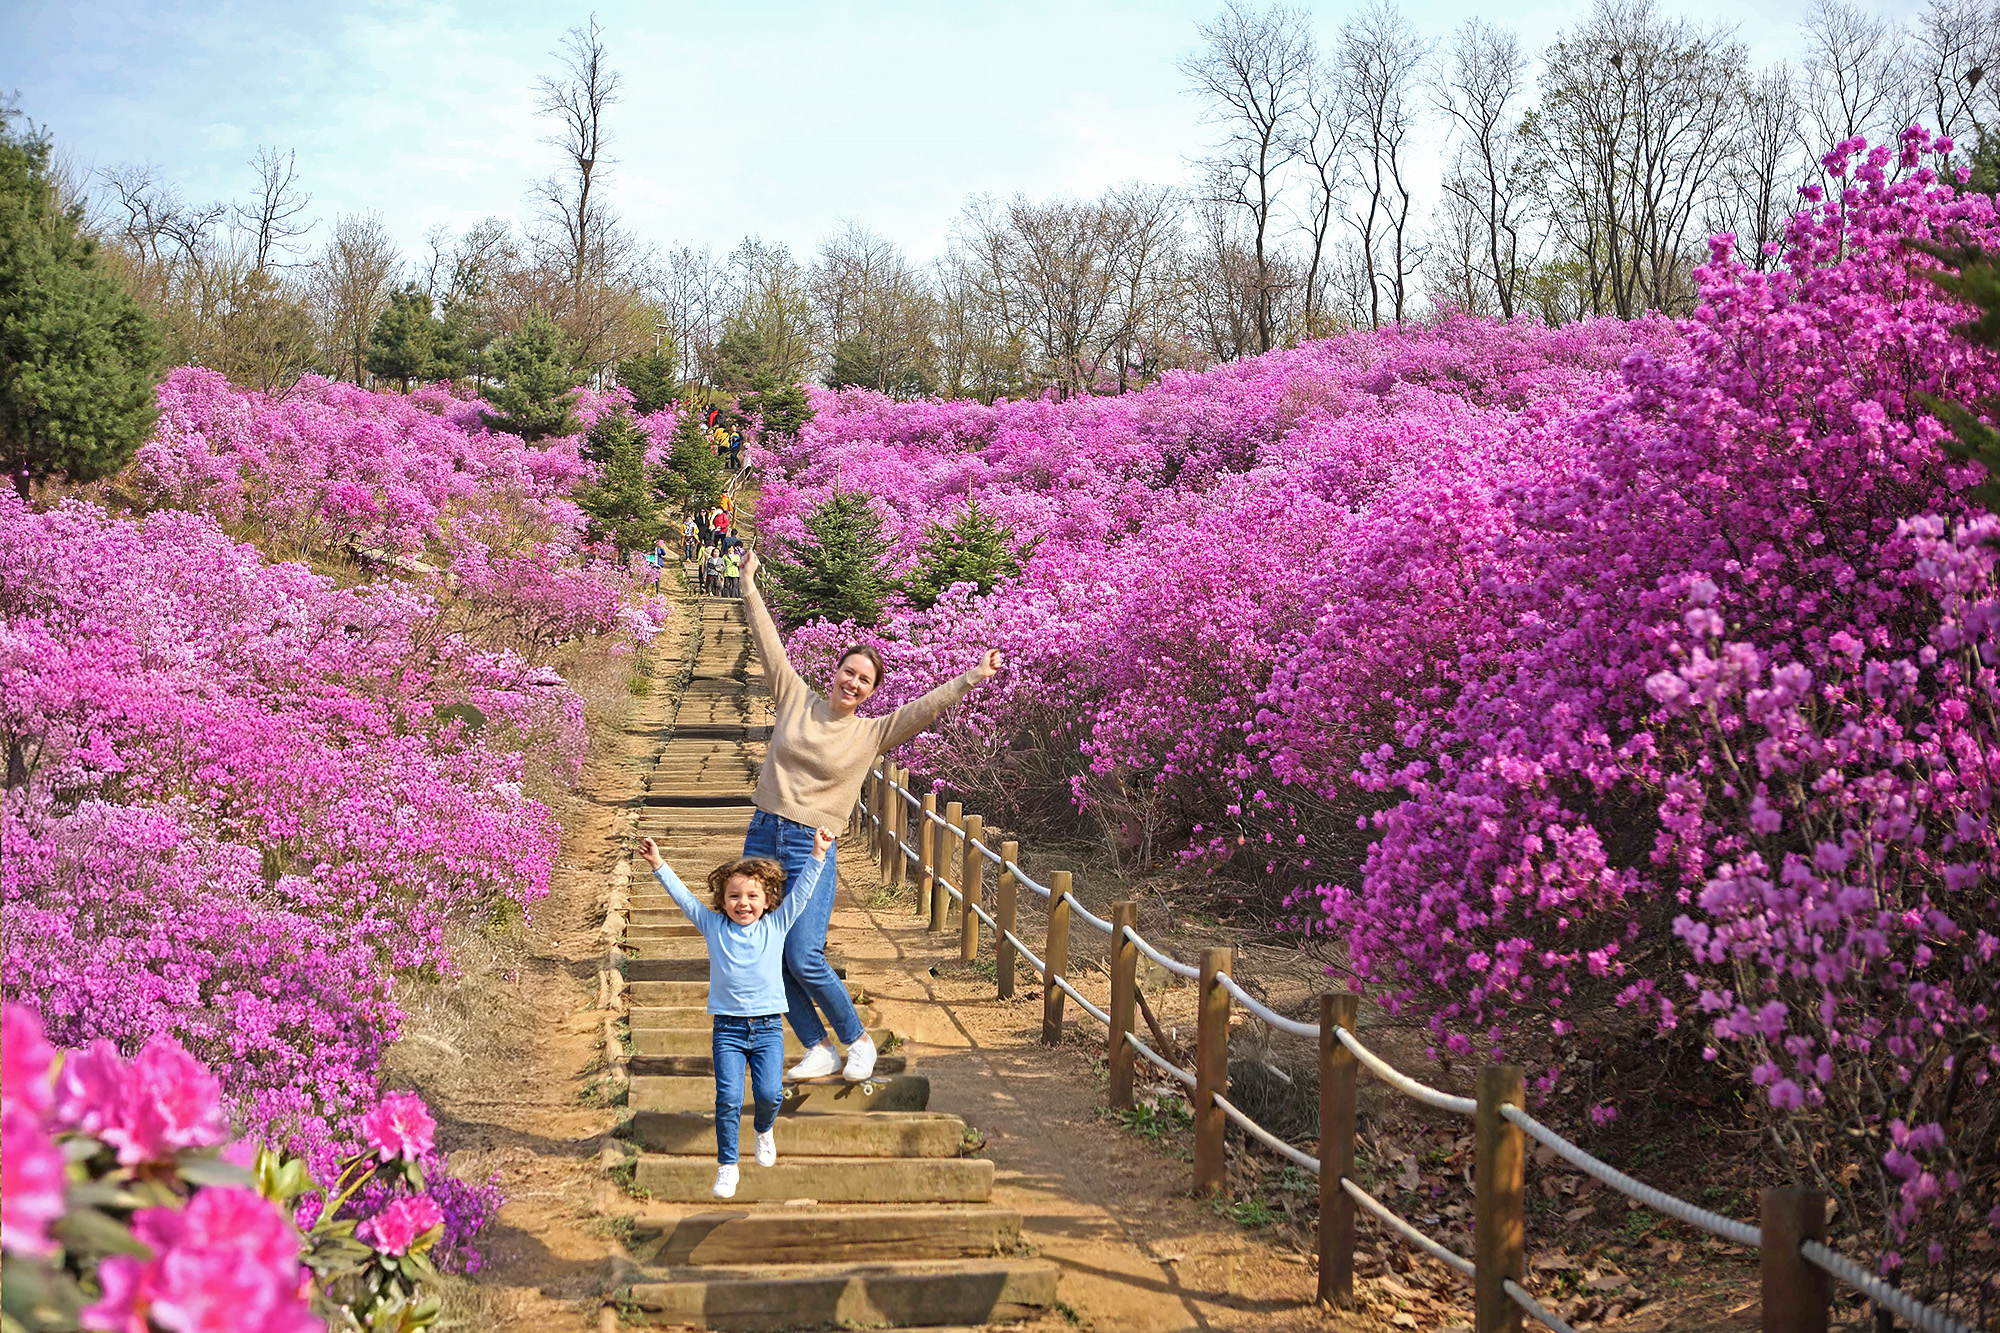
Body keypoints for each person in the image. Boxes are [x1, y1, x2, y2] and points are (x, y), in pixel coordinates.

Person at [738, 547, 1004, 1082]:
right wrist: (747, 582)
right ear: (834, 671)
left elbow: (925, 707)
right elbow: (768, 642)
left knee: (804, 953)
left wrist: (972, 676)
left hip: (812, 845)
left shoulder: (872, 732)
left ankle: (857, 1039)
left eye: (865, 680)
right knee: (764, 950)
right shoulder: (794, 695)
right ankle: (817, 1047)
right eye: (848, 671)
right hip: (764, 830)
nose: (852, 682)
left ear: (872, 692)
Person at [637, 826, 837, 1199]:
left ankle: (763, 1129)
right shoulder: (714, 926)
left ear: (766, 900)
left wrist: (818, 854)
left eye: (751, 896)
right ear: (722, 900)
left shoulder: (776, 925)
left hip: (767, 1030)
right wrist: (658, 863)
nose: (742, 903)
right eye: (734, 896)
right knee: (727, 1098)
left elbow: (803, 893)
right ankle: (727, 1165)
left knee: (770, 1094)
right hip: (727, 1030)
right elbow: (685, 901)